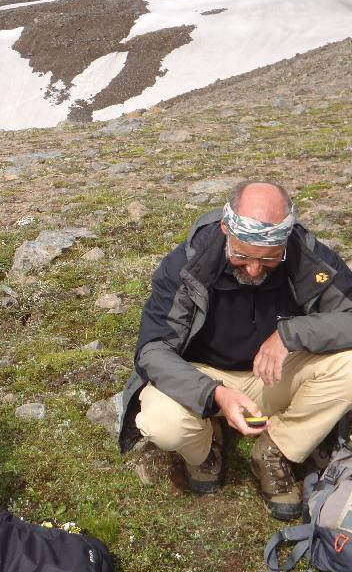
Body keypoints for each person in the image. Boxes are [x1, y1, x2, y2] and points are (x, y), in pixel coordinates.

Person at [118, 182, 352, 520]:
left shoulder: (307, 255)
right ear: (226, 229)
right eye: (242, 256)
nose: (254, 270)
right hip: (202, 375)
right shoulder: (187, 264)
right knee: (161, 422)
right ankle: (204, 449)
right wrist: (214, 394)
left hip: (276, 375)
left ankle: (276, 449)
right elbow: (153, 350)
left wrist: (291, 334)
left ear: (285, 241)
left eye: (269, 259)